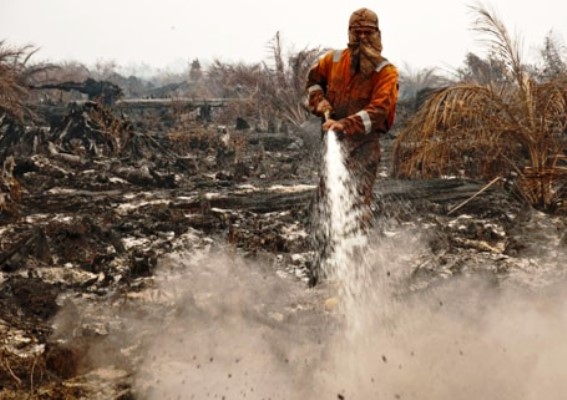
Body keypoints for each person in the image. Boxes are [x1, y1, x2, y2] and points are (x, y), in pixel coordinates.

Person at [305, 7, 399, 286]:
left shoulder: (386, 72)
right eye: (356, 34)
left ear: (378, 35)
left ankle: (354, 278)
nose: (361, 40)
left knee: (356, 210)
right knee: (324, 205)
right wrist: (320, 103)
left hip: (364, 149)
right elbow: (312, 83)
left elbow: (379, 111)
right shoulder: (332, 61)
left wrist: (344, 125)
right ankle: (320, 275)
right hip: (335, 146)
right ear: (348, 34)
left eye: (367, 34)